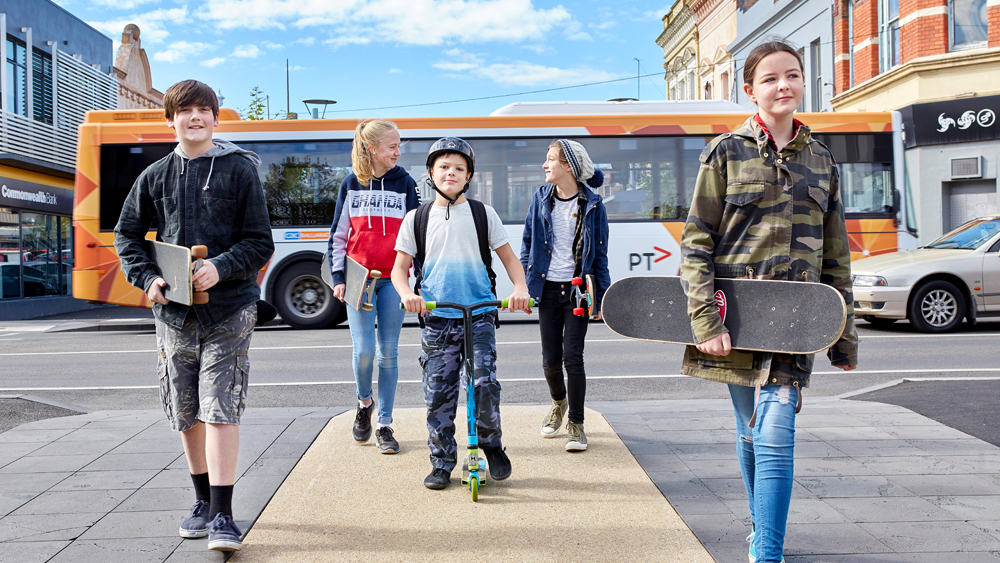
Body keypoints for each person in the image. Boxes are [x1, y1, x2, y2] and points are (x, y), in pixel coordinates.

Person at [679, 40, 858, 563]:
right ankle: (761, 528)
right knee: (749, 428)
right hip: (735, 318)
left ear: (804, 83)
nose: (784, 85)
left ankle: (768, 553)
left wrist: (842, 337)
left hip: (797, 322)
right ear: (750, 89)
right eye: (772, 78)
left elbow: (837, 256)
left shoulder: (822, 160)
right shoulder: (724, 152)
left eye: (794, 75)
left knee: (776, 430)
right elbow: (696, 242)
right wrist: (705, 322)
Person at [114, 80, 274, 552]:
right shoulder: (155, 176)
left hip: (230, 309)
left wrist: (218, 267)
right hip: (174, 317)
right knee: (185, 411)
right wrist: (148, 280)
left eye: (204, 110)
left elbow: (260, 240)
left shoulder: (240, 171)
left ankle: (224, 514)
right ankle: (202, 501)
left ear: (215, 119)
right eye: (185, 111)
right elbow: (127, 236)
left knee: (220, 404)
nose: (195, 118)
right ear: (171, 119)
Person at [391, 137, 531, 490]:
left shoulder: (484, 214)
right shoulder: (416, 218)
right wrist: (408, 294)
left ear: (468, 177)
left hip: (480, 313)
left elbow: (510, 260)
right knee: (438, 393)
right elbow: (399, 269)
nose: (451, 173)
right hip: (438, 318)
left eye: (459, 169)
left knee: (484, 382)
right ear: (430, 173)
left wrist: (519, 289)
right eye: (444, 167)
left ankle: (491, 444)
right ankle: (441, 462)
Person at [327, 119, 419, 454]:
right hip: (358, 280)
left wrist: (418, 277)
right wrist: (338, 278)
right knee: (364, 350)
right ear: (373, 149)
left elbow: (415, 235)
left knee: (388, 353)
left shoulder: (404, 183)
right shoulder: (350, 183)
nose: (398, 151)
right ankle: (364, 403)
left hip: (394, 279)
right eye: (392, 146)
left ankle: (384, 423)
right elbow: (338, 236)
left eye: (399, 145)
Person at [520, 139, 610, 452]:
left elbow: (600, 254)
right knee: (549, 361)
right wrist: (526, 288)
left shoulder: (594, 204)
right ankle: (559, 404)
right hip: (546, 288)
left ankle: (577, 423)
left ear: (568, 166)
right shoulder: (540, 197)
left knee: (573, 358)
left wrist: (602, 298)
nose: (545, 165)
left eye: (550, 159)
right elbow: (527, 243)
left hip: (577, 292)